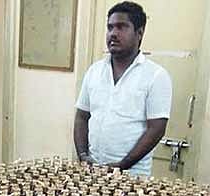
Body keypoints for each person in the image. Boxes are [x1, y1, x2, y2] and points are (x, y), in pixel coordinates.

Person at [74, 1, 172, 176]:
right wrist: (83, 156)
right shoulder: (94, 71)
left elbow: (156, 129)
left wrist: (122, 165)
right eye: (110, 27)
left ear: (139, 33)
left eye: (121, 27)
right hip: (92, 172)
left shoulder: (156, 75)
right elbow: (82, 117)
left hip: (132, 176)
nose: (113, 33)